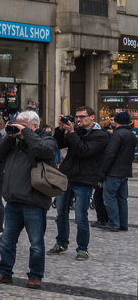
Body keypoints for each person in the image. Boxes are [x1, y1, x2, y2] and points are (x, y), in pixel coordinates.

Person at [0, 111, 58, 289]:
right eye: (17, 125)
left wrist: (26, 134)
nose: (19, 129)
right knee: (6, 240)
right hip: (13, 201)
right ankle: (4, 272)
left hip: (34, 202)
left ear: (35, 126)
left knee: (36, 243)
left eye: (23, 126)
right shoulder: (15, 143)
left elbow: (42, 150)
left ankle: (35, 275)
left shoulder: (47, 140)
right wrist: (11, 136)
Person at [50, 107, 108, 260]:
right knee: (61, 213)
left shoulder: (101, 135)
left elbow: (84, 151)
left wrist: (72, 133)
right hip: (66, 177)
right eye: (77, 117)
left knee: (81, 216)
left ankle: (82, 249)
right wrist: (61, 128)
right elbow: (58, 143)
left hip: (84, 179)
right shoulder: (76, 131)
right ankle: (61, 243)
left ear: (92, 117)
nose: (79, 120)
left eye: (82, 117)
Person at [99, 111, 136, 231]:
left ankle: (113, 222)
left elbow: (110, 154)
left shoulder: (118, 134)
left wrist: (103, 171)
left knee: (109, 197)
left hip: (114, 171)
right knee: (122, 198)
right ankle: (123, 224)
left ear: (118, 121)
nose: (112, 122)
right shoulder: (131, 134)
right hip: (125, 171)